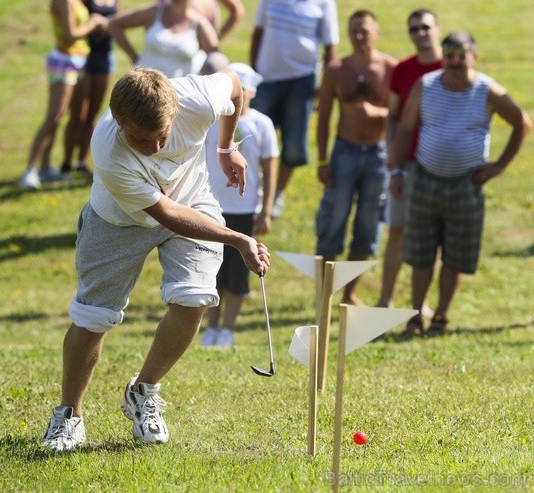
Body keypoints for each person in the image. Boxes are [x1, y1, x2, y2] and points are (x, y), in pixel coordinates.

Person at [40, 67, 270, 452]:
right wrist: (237, 239)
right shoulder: (109, 151)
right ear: (119, 121)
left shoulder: (196, 96)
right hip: (118, 219)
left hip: (192, 201)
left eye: (162, 134)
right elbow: (165, 213)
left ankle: (143, 391)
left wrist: (226, 148)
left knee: (195, 296)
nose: (156, 147)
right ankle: (69, 415)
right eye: (143, 140)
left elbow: (232, 83)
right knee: (94, 316)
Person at [391, 31, 531, 336]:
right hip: (425, 180)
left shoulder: (487, 90)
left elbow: (523, 122)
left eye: (461, 54)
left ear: (474, 55)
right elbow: (404, 130)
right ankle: (415, 316)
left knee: (456, 255)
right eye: (449, 54)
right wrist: (397, 172)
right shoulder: (424, 85)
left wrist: (499, 166)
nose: (455, 61)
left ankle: (440, 316)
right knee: (420, 254)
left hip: (467, 185)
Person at [315, 10, 396, 305]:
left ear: (377, 33)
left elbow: (401, 114)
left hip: (378, 154)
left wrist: (379, 113)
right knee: (333, 220)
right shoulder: (337, 70)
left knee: (368, 224)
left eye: (365, 31)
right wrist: (323, 160)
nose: (360, 37)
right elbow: (323, 116)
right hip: (344, 151)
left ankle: (350, 292)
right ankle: (325, 294)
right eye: (355, 32)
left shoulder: (390, 68)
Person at [200, 63, 278, 348]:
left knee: (238, 272)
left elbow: (269, 169)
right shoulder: (212, 123)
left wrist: (266, 210)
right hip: (210, 208)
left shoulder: (262, 124)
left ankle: (228, 329)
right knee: (212, 270)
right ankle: (210, 327)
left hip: (244, 211)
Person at [376, 9, 443, 313]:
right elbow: (392, 117)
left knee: (434, 236)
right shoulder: (403, 69)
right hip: (408, 163)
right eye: (414, 28)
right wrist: (394, 159)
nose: (420, 33)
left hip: (439, 168)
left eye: (425, 27)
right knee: (397, 231)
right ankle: (385, 299)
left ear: (437, 29)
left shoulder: (450, 68)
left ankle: (422, 302)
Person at [250, 0, 339, 218]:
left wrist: (325, 90)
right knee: (254, 141)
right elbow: (258, 33)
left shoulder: (324, 3)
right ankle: (256, 193)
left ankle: (277, 194)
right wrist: (254, 72)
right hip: (266, 79)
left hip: (301, 83)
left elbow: (330, 47)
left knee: (293, 146)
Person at [18, 0, 109, 190]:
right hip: (64, 62)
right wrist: (92, 24)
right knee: (54, 116)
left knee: (63, 117)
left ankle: (44, 167)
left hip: (79, 61)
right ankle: (30, 170)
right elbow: (70, 34)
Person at [60, 0, 121, 176]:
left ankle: (81, 161)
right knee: (78, 113)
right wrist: (95, 25)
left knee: (93, 113)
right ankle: (66, 161)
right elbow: (78, 21)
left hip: (105, 56)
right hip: (84, 55)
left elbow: (117, 22)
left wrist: (104, 25)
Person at [108, 0, 219, 79]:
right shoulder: (154, 13)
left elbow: (215, 54)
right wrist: (134, 57)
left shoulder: (199, 23)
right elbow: (114, 24)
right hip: (144, 89)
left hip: (179, 96)